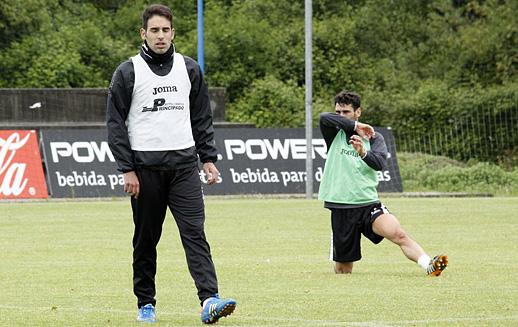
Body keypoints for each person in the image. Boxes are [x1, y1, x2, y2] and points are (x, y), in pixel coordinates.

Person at [106, 4, 236, 324]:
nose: (160, 36)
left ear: (173, 32)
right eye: (154, 30)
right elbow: (115, 124)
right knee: (147, 238)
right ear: (143, 33)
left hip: (184, 168)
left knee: (194, 233)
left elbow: (201, 117)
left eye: (165, 30)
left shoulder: (189, 68)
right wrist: (127, 168)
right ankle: (146, 303)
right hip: (145, 171)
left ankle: (209, 300)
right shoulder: (128, 71)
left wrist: (208, 158)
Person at [318, 90, 448, 276]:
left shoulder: (374, 137)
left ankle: (429, 265)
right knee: (343, 270)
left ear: (358, 111)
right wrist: (355, 125)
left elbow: (379, 164)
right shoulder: (334, 133)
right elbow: (324, 117)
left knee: (399, 234)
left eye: (346, 112)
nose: (340, 116)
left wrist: (363, 152)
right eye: (338, 112)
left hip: (367, 203)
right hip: (341, 207)